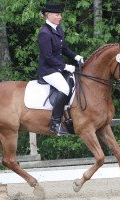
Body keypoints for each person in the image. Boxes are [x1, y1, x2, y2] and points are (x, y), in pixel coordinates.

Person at [37, 2, 84, 135]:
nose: (60, 17)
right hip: (48, 70)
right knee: (65, 88)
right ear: (49, 15)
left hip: (57, 68)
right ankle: (55, 123)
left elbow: (64, 49)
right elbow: (48, 57)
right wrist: (65, 66)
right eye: (57, 14)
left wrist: (76, 57)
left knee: (75, 82)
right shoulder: (44, 33)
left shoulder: (58, 29)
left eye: (60, 14)